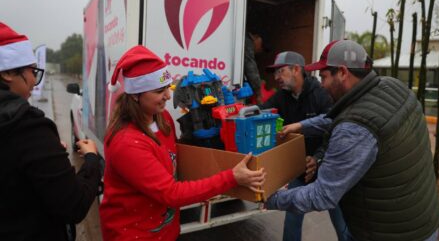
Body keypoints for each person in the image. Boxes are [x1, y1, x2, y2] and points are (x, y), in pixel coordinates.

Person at [266, 40, 439, 241]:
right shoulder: (391, 87)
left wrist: (272, 198)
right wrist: (302, 126)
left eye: (324, 77)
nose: (322, 84)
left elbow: (322, 195)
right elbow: (342, 117)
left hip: (385, 232)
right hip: (422, 219)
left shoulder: (353, 129)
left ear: (342, 72)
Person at [99, 45, 266, 241]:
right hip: (133, 235)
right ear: (135, 95)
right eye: (160, 91)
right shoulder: (126, 143)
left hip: (166, 231)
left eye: (167, 88)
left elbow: (176, 162)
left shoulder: (163, 118)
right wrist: (231, 178)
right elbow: (172, 193)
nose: (168, 96)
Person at [0, 23, 103, 241]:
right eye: (32, 72)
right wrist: (92, 160)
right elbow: (73, 205)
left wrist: (46, 156)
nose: (33, 81)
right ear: (8, 72)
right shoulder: (27, 127)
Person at [259, 51, 348, 241]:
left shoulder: (321, 94)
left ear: (296, 70)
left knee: (341, 224)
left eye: (281, 71)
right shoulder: (282, 96)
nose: (276, 78)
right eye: (275, 73)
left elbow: (335, 130)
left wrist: (317, 158)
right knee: (292, 218)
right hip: (301, 169)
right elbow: (261, 111)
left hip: (326, 169)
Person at [244, 31, 265, 104]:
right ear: (257, 38)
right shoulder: (248, 42)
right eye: (260, 47)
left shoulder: (244, 39)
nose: (258, 50)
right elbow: (250, 68)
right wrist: (258, 94)